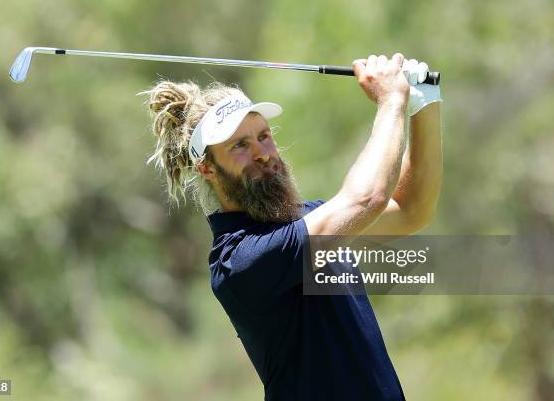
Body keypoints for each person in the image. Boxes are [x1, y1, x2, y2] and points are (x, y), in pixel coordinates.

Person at [141, 53, 442, 400]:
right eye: (240, 145)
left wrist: (425, 102)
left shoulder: (307, 219)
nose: (263, 153)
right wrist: (391, 100)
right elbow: (367, 198)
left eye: (263, 136)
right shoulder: (240, 261)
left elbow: (410, 210)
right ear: (207, 167)